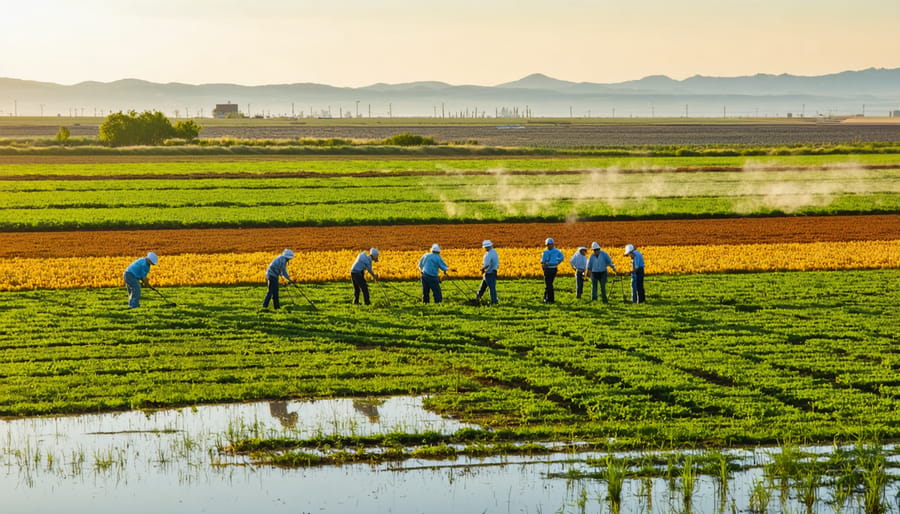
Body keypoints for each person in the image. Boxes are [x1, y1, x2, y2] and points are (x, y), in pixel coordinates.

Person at [540, 238, 564, 303]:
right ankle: (546, 297)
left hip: (553, 268)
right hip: (547, 268)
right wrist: (544, 265)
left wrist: (557, 262)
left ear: (553, 244)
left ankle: (550, 299)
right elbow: (542, 261)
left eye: (550, 244)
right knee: (548, 284)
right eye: (548, 245)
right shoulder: (545, 252)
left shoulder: (557, 251)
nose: (549, 246)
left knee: (549, 284)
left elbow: (562, 257)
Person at [475, 240, 499, 304]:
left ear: (486, 247)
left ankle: (494, 301)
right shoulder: (494, 252)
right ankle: (478, 297)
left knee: (491, 288)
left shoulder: (488, 254)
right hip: (493, 272)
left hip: (489, 273)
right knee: (483, 287)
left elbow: (486, 265)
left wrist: (482, 269)